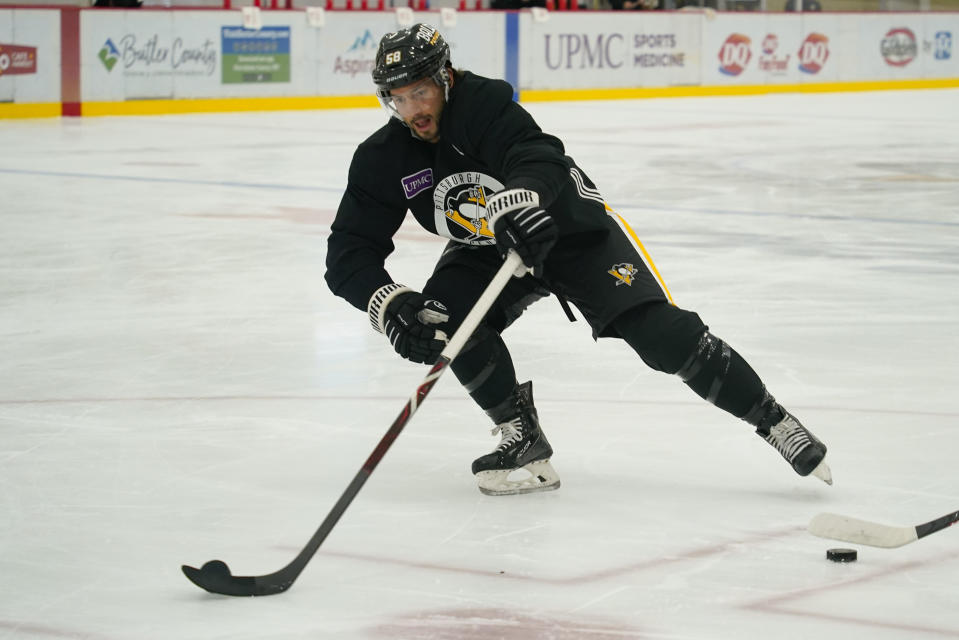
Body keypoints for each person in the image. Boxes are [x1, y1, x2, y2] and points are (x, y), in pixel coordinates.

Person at [325, 23, 832, 496]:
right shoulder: (383, 158)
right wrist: (388, 303)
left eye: (421, 92)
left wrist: (518, 202)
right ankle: (520, 436)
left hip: (564, 227)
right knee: (441, 319)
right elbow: (347, 250)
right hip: (488, 248)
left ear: (445, 78)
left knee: (660, 336)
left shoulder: (482, 103)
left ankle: (773, 419)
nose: (413, 108)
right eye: (399, 97)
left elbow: (536, 153)